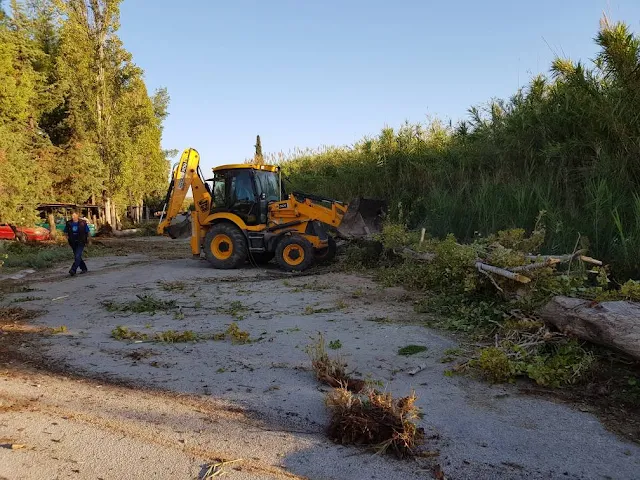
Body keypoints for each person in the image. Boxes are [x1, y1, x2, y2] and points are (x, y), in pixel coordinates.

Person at [63, 210, 90, 276]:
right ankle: (84, 268)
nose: (73, 217)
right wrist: (66, 239)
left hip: (81, 241)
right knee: (77, 256)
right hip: (72, 242)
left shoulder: (83, 223)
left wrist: (89, 240)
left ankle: (73, 269)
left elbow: (88, 232)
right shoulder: (69, 223)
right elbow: (65, 232)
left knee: (77, 255)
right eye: (72, 215)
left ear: (78, 215)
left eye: (74, 215)